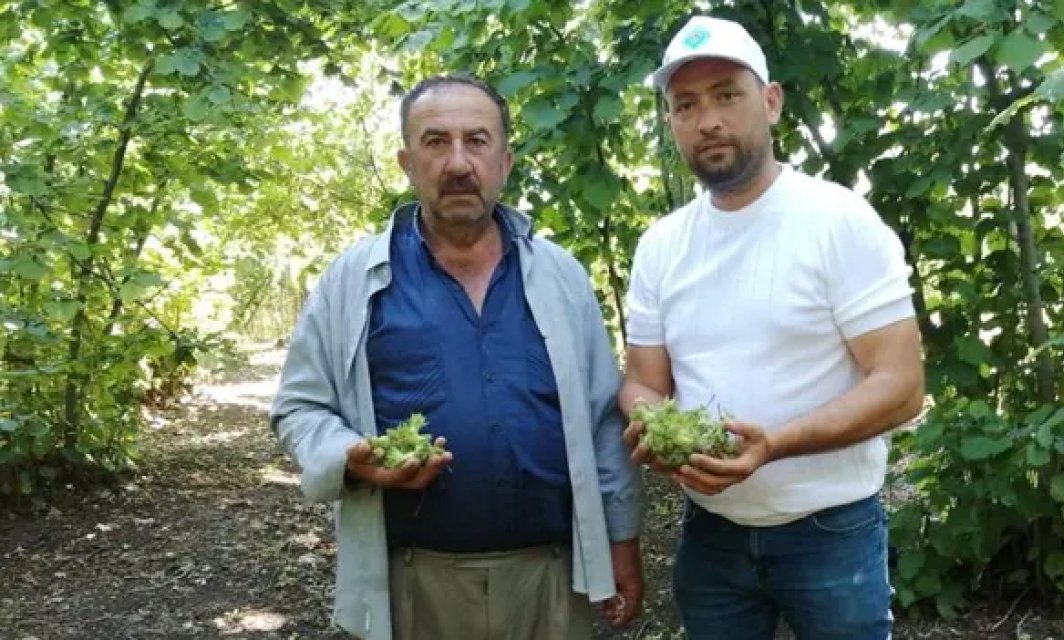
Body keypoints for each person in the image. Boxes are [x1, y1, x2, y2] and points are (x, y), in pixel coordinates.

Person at [270, 75, 642, 640]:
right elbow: (299, 407)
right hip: (413, 583)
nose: (459, 163)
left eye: (477, 141)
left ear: (505, 162)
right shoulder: (353, 281)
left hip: (550, 577)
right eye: (436, 141)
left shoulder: (560, 276)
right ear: (407, 162)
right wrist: (351, 457)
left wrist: (622, 541)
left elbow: (602, 420)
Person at [618, 16, 925, 640]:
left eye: (726, 95)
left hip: (830, 529)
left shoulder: (838, 220)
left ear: (772, 101)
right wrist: (656, 430)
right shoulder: (662, 245)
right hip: (711, 534)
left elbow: (901, 386)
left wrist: (775, 445)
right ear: (671, 122)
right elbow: (642, 380)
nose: (708, 120)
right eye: (686, 104)